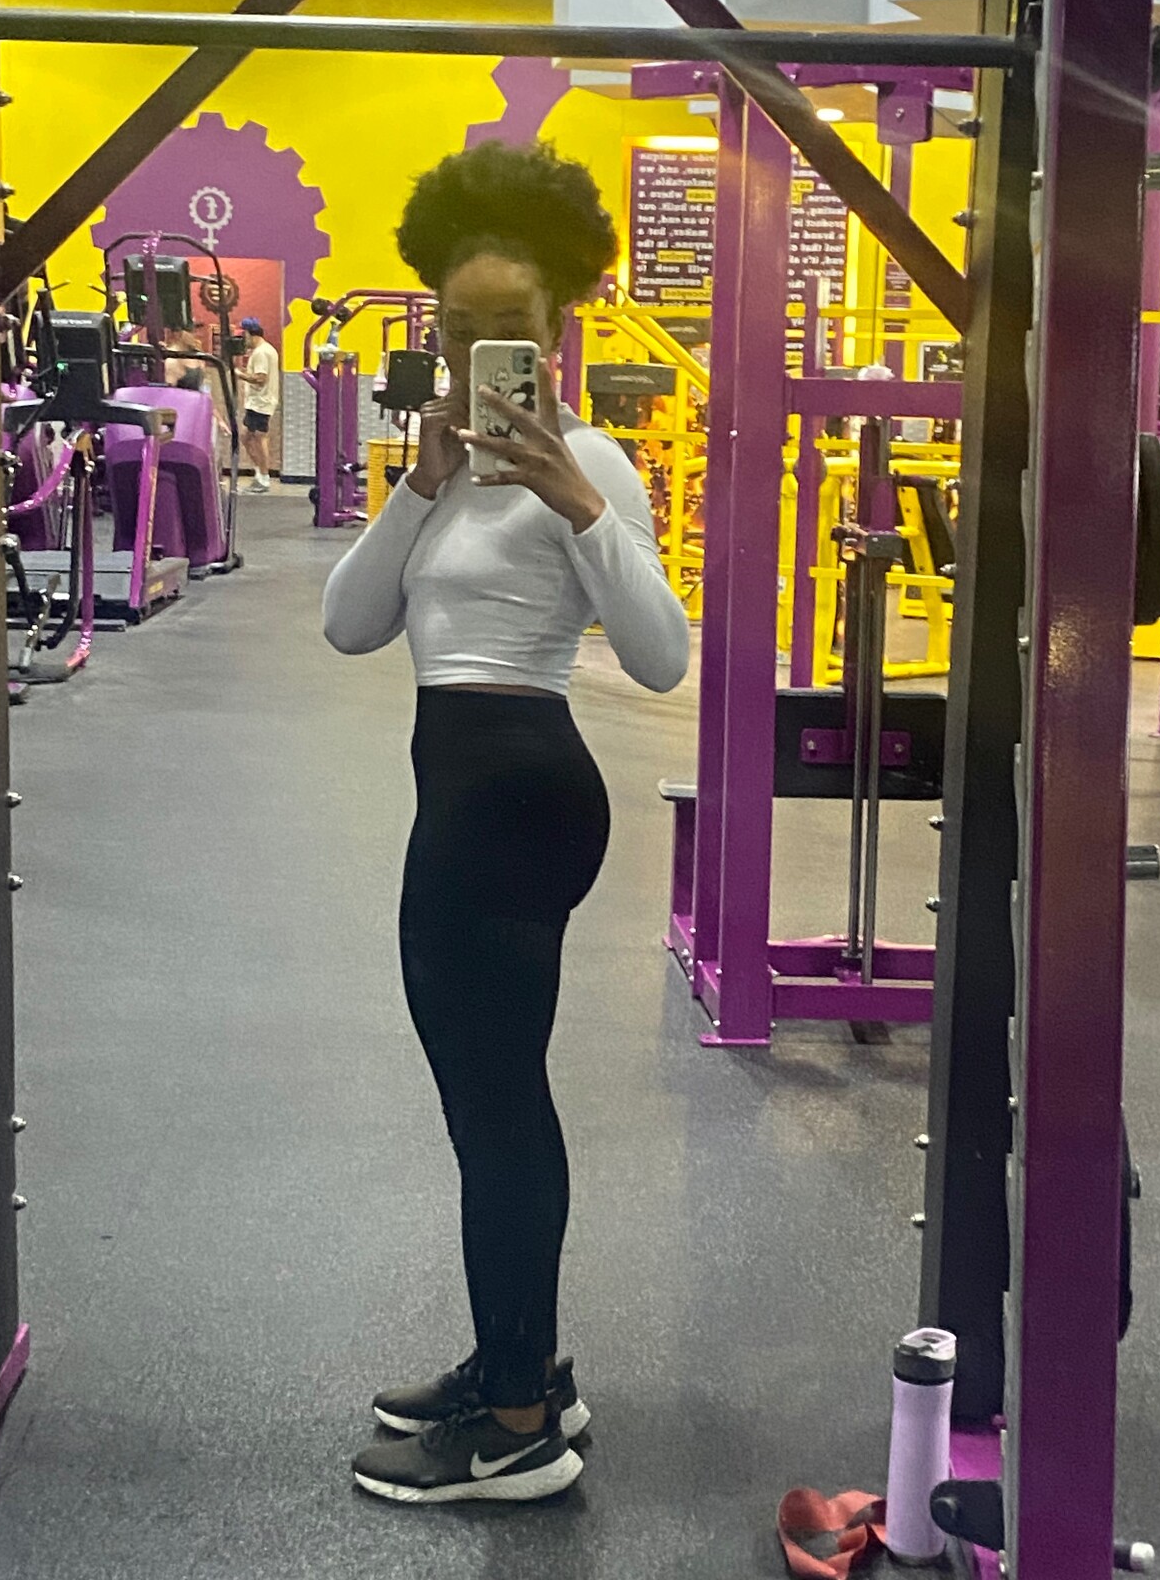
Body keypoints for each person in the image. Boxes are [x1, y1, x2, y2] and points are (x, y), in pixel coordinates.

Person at [322, 141, 690, 1507]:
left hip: (515, 801)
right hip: (467, 790)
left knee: (495, 1106)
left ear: (558, 329)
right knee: (487, 1097)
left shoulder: (588, 459)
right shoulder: (440, 475)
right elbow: (351, 625)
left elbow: (661, 659)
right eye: (459, 324)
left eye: (510, 328)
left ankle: (521, 1423)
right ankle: (516, 1362)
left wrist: (581, 505)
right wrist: (419, 484)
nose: (480, 348)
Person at [237, 316, 279, 492]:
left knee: (258, 438)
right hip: (258, 402)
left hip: (260, 402)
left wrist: (239, 374)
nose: (243, 339)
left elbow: (261, 378)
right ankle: (260, 474)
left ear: (250, 334)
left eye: (244, 335)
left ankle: (263, 477)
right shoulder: (267, 350)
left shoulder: (261, 352)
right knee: (246, 437)